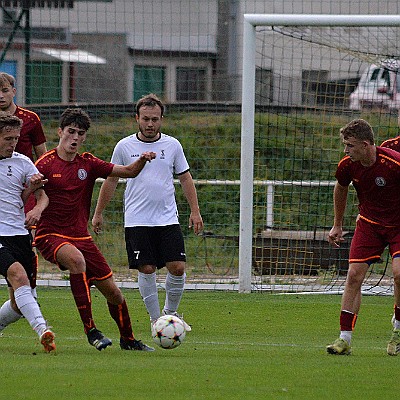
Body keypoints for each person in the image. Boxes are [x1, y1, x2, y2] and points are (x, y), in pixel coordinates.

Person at [33, 108, 156, 352]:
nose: (75, 138)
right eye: (70, 132)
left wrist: (142, 160)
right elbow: (28, 194)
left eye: (80, 133)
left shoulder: (87, 163)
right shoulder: (44, 164)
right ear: (60, 132)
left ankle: (128, 340)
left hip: (81, 237)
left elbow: (128, 171)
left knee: (115, 294)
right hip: (50, 235)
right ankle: (91, 330)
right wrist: (32, 209)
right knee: (77, 261)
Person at [92, 93, 203, 333]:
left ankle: (170, 316)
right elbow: (111, 180)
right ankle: (156, 321)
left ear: (162, 119)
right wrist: (98, 212)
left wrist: (195, 211)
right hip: (137, 220)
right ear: (137, 119)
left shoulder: (172, 145)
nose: (150, 124)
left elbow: (185, 178)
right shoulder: (124, 146)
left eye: (155, 119)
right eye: (145, 119)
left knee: (178, 267)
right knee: (147, 269)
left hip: (167, 219)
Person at [326, 118, 400, 356]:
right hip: (369, 224)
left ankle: (397, 329)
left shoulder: (393, 163)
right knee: (353, 275)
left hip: (398, 225)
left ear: (366, 144)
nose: (346, 150)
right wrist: (337, 224)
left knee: (399, 274)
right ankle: (344, 339)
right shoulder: (348, 165)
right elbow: (341, 187)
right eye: (345, 145)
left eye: (350, 145)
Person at [0, 111, 55, 352]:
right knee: (18, 275)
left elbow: (42, 199)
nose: (13, 144)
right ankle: (44, 330)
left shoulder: (23, 162)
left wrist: (35, 204)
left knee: (20, 301)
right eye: (8, 139)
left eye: (16, 138)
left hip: (19, 234)